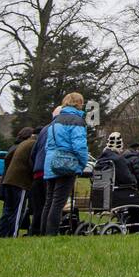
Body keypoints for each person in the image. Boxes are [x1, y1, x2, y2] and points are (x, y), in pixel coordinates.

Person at [40, 94, 89, 236]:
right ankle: (51, 234)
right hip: (66, 164)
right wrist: (82, 163)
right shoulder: (77, 121)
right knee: (58, 202)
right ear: (79, 103)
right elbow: (79, 146)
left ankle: (42, 232)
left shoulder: (55, 121)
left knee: (49, 201)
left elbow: (48, 145)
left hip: (51, 162)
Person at [94, 131, 139, 230]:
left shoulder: (100, 160)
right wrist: (135, 182)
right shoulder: (117, 160)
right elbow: (128, 179)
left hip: (99, 195)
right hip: (116, 195)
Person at [0, 127, 36, 237]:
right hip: (19, 181)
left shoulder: (14, 147)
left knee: (8, 210)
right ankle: (13, 234)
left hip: (8, 180)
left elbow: (7, 160)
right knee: (18, 210)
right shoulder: (29, 145)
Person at [27, 106, 60, 235]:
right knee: (51, 203)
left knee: (39, 206)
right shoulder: (58, 129)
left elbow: (33, 153)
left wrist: (35, 167)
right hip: (50, 171)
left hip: (37, 172)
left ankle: (35, 231)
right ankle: (47, 232)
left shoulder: (44, 129)